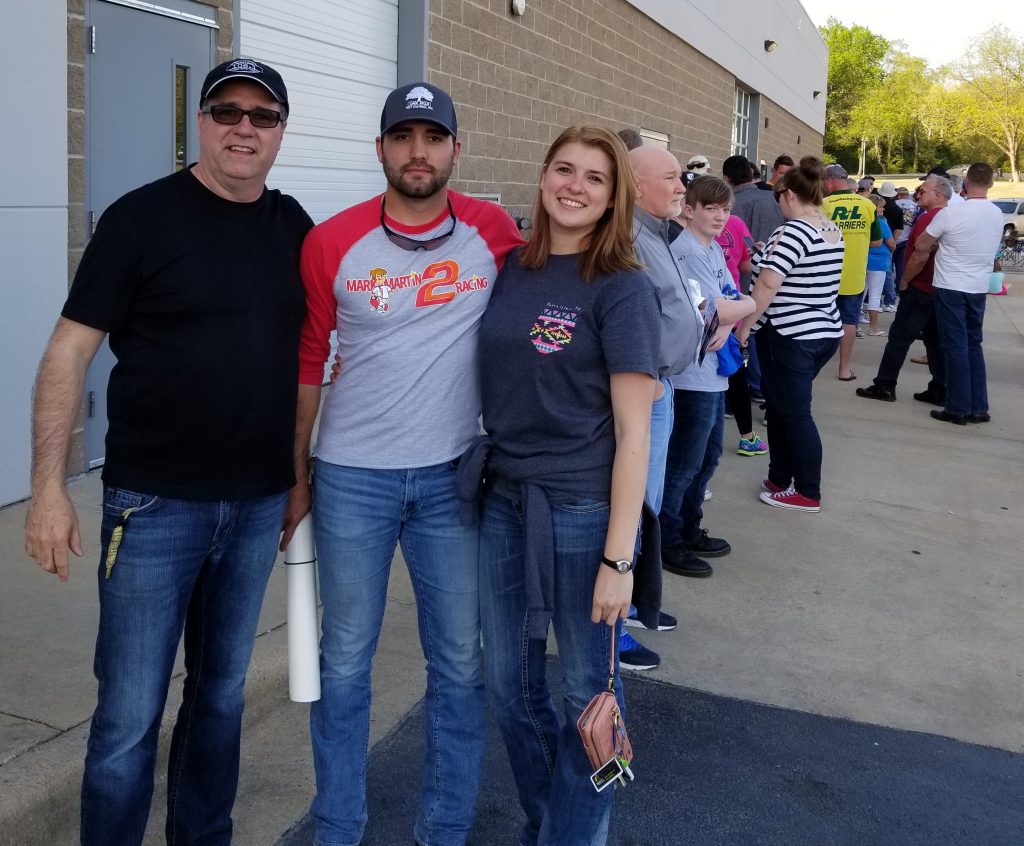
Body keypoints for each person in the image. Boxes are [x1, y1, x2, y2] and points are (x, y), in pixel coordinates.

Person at [23, 58, 311, 845]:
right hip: (154, 506)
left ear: (282, 130)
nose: (244, 127)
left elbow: (309, 364)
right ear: (202, 121)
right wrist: (47, 487)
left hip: (255, 505)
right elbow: (67, 352)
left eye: (263, 114)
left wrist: (298, 477)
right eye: (228, 111)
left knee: (219, 699)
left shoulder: (293, 227)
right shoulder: (140, 219)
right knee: (128, 712)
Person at [294, 82, 522, 846]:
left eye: (433, 137)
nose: (417, 152)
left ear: (458, 148)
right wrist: (298, 477)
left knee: (459, 664)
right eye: (403, 137)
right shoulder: (332, 241)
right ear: (382, 149)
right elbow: (308, 359)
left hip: (454, 480)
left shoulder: (494, 234)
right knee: (346, 662)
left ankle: (445, 829)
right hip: (351, 477)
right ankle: (337, 828)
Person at [475, 125, 661, 846]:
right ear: (543, 174)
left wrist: (620, 559)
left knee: (590, 696)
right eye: (563, 169)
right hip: (504, 500)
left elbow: (636, 434)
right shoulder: (514, 268)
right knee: (510, 691)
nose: (575, 186)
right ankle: (551, 823)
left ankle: (573, 836)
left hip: (584, 512)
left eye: (595, 177)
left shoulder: (621, 287)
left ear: (614, 196)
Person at [615, 142, 703, 657]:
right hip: (642, 392)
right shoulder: (626, 236)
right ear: (636, 182)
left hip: (660, 386)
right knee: (631, 508)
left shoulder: (656, 231)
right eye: (670, 177)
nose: (680, 187)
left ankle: (636, 602)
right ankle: (613, 625)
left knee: (646, 506)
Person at [738, 158, 845, 512]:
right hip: (822, 330)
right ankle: (779, 478)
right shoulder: (830, 229)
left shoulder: (795, 231)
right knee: (783, 408)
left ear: (788, 195)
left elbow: (768, 284)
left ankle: (807, 492)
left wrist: (745, 327)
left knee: (796, 413)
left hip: (790, 334)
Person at [661, 176, 755, 574]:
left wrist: (728, 314)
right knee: (684, 462)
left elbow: (734, 299)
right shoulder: (684, 251)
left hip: (714, 373)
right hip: (692, 376)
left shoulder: (713, 248)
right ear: (690, 209)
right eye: (711, 209)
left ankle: (689, 526)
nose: (720, 217)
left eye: (726, 210)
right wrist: (727, 314)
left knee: (709, 456)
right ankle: (668, 541)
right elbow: (708, 308)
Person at [912, 162, 1003, 424]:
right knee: (974, 344)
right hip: (978, 286)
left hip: (951, 285)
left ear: (965, 182)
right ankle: (979, 406)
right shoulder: (996, 213)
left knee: (954, 347)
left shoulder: (952, 214)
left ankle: (958, 406)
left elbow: (921, 243)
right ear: (990, 184)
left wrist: (940, 244)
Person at [856, 175, 952, 404]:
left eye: (923, 190)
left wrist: (905, 281)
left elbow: (921, 254)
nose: (918, 193)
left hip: (920, 287)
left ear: (938, 195)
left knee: (899, 337)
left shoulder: (930, 218)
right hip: (937, 288)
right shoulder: (947, 216)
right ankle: (940, 387)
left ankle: (885, 384)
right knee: (934, 340)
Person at [822, 163, 882, 381]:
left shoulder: (823, 204)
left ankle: (813, 365)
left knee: (821, 319)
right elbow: (877, 241)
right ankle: (844, 369)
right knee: (848, 321)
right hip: (853, 275)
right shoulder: (867, 205)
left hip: (825, 274)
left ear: (828, 180)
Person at [714, 213, 768, 455]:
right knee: (737, 374)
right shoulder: (735, 222)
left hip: (704, 313)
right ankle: (746, 436)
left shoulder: (681, 227)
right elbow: (747, 265)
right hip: (731, 308)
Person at [863, 193, 896, 337]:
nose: (883, 210)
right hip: (879, 262)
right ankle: (873, 327)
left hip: (864, 260)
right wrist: (892, 249)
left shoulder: (864, 220)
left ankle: (854, 324)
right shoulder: (881, 222)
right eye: (881, 207)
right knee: (875, 295)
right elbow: (891, 243)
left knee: (860, 293)